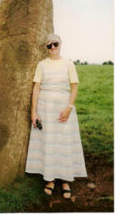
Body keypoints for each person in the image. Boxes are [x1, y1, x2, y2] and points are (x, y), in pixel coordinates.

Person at [25, 33, 88, 199]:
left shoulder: (68, 64)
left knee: (64, 143)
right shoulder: (42, 65)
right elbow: (36, 88)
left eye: (55, 44)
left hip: (63, 109)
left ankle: (66, 180)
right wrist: (34, 111)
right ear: (46, 48)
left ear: (60, 44)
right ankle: (50, 180)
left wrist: (69, 108)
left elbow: (74, 87)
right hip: (45, 108)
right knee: (49, 143)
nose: (53, 48)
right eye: (49, 45)